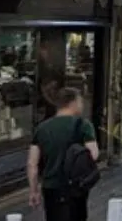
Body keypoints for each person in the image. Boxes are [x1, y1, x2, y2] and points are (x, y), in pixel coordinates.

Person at [28, 87, 99, 221]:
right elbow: (93, 154)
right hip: (75, 186)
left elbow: (32, 163)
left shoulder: (42, 128)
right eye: (80, 102)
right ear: (73, 103)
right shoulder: (83, 125)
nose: (82, 106)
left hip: (51, 186)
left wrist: (33, 190)